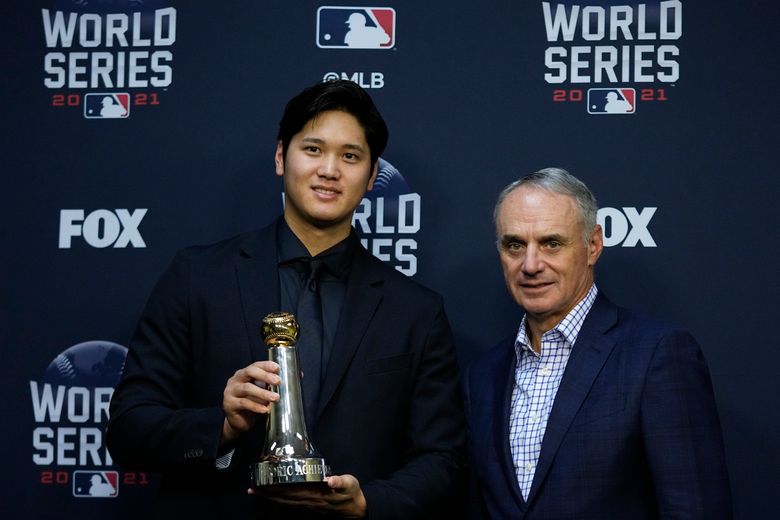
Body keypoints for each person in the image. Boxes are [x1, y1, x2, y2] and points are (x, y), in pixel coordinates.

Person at [107, 80, 465, 519]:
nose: (329, 169)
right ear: (281, 157)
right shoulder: (197, 277)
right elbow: (128, 429)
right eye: (313, 149)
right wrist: (222, 426)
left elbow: (443, 460)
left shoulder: (416, 312)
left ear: (372, 176)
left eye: (350, 156)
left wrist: (367, 503)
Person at [463, 168, 732, 519]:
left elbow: (696, 510)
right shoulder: (482, 376)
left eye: (551, 243)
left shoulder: (656, 356)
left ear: (593, 246)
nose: (530, 265)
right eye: (515, 245)